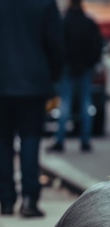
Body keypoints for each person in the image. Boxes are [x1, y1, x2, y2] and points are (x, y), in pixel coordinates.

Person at [0, 0, 63, 217]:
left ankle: (6, 201)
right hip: (33, 82)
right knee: (31, 139)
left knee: (1, 140)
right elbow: (56, 44)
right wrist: (51, 76)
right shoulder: (45, 3)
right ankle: (30, 199)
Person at [47, 0, 103, 153]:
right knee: (86, 103)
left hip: (68, 67)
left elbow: (58, 45)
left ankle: (60, 139)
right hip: (85, 68)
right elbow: (96, 46)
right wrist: (91, 63)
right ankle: (85, 140)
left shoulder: (64, 22)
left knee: (65, 104)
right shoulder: (89, 23)